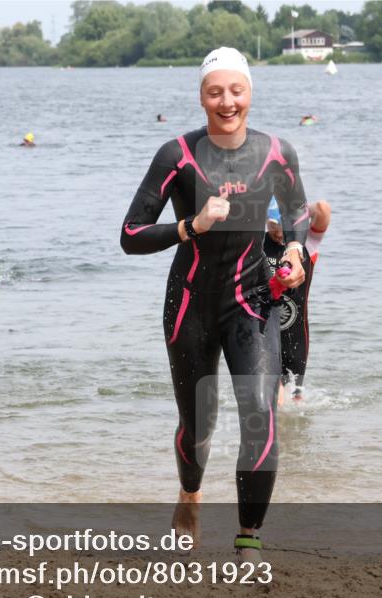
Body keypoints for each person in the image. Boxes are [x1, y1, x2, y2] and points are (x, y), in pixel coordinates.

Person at [121, 47, 310, 562]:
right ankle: (190, 493)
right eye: (215, 92)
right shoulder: (176, 155)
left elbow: (295, 213)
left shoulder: (277, 152)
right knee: (198, 426)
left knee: (260, 414)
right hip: (191, 305)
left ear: (250, 92)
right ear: (201, 97)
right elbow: (130, 235)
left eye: (236, 90)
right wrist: (190, 226)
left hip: (253, 304)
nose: (227, 101)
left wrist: (294, 249)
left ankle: (249, 537)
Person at [264, 197, 330, 403]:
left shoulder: (306, 245)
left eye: (282, 225)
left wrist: (294, 213)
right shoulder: (256, 244)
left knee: (296, 402)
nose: (278, 231)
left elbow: (322, 209)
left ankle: (292, 435)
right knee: (273, 396)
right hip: (264, 331)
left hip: (296, 336)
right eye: (273, 224)